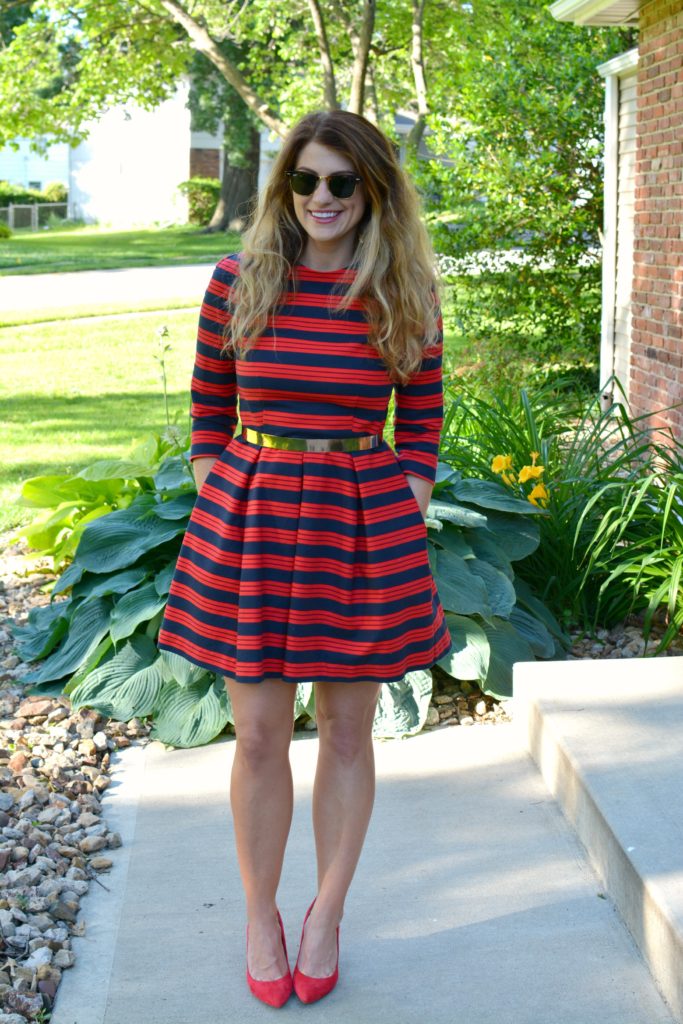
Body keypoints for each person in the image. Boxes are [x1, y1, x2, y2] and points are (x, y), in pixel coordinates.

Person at [157, 109, 452, 1007]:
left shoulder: (403, 287)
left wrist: (403, 504)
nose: (321, 198)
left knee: (351, 733)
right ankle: (260, 915)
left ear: (372, 191)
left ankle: (324, 914)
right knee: (256, 736)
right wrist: (224, 488)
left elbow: (424, 422)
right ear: (285, 185)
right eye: (305, 180)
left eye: (341, 182)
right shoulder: (239, 279)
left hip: (358, 524)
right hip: (253, 514)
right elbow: (209, 408)